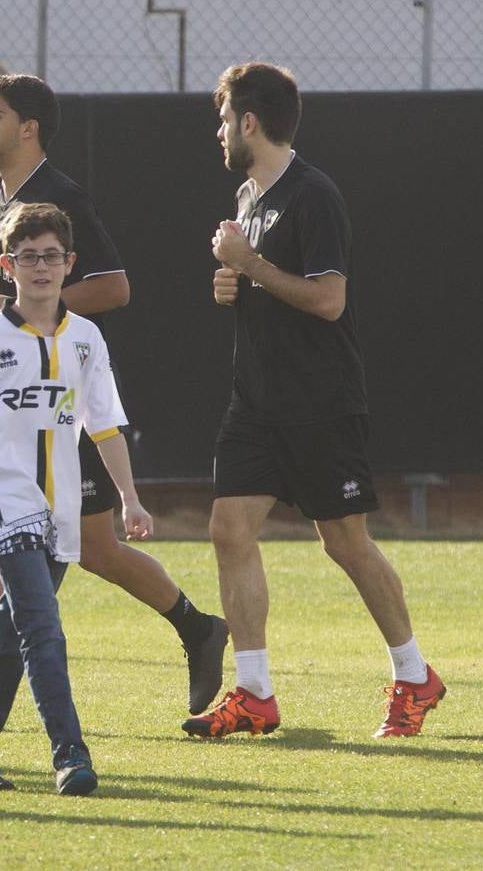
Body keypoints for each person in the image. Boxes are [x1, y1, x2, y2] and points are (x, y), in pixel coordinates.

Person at [0, 73, 228, 729]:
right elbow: (15, 311)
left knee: (92, 547)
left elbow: (114, 288)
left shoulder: (59, 197)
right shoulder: (2, 204)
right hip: (14, 404)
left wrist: (20, 305)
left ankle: (198, 628)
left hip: (60, 402)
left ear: (27, 127)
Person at [187, 63, 445, 739]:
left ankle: (414, 676)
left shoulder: (312, 193)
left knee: (346, 546)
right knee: (227, 529)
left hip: (319, 403)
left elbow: (327, 301)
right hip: (255, 405)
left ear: (248, 122)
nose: (217, 134)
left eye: (222, 121)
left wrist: (248, 267)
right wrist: (234, 286)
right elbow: (267, 288)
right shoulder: (248, 195)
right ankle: (253, 693)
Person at [0, 202, 149, 796]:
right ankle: (70, 755)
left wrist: (130, 499)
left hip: (62, 507)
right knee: (43, 628)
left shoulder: (86, 339)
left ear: (70, 263)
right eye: (27, 257)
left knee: (12, 635)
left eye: (51, 256)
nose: (40, 268)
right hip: (3, 495)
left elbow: (105, 427)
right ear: (7, 265)